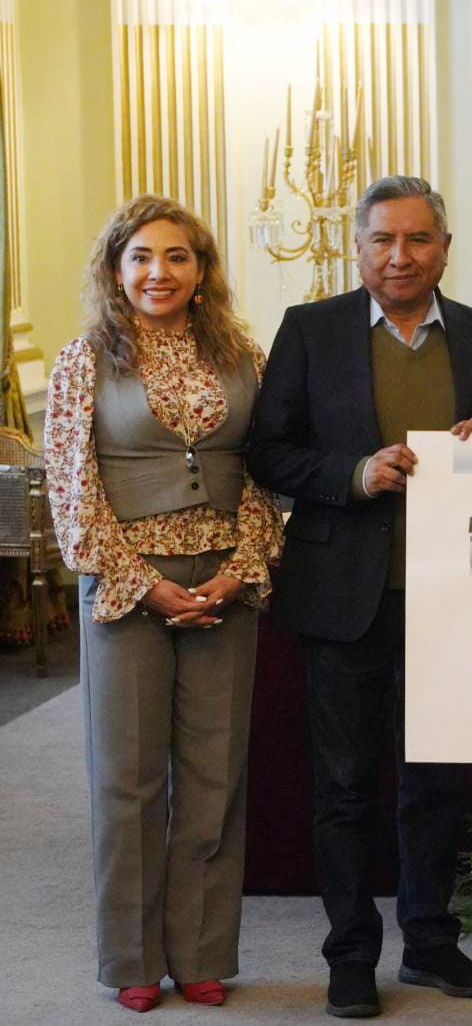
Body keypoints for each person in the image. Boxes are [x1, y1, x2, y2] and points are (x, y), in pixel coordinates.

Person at [247, 176, 472, 1018]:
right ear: (358, 247)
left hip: (454, 596)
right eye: (382, 240)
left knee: (435, 779)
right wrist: (353, 473)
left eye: (417, 239)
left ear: (445, 247)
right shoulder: (310, 329)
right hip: (342, 597)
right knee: (344, 785)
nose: (399, 256)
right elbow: (268, 453)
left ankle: (430, 940)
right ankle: (350, 955)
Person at [45, 195, 282, 1013]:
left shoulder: (245, 355)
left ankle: (203, 952)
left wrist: (239, 569)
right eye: (141, 256)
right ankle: (135, 958)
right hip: (126, 588)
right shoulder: (83, 360)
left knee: (215, 777)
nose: (160, 271)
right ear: (116, 269)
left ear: (201, 269)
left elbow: (266, 474)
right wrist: (144, 581)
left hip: (225, 584)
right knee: (129, 780)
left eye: (177, 255)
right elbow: (72, 490)